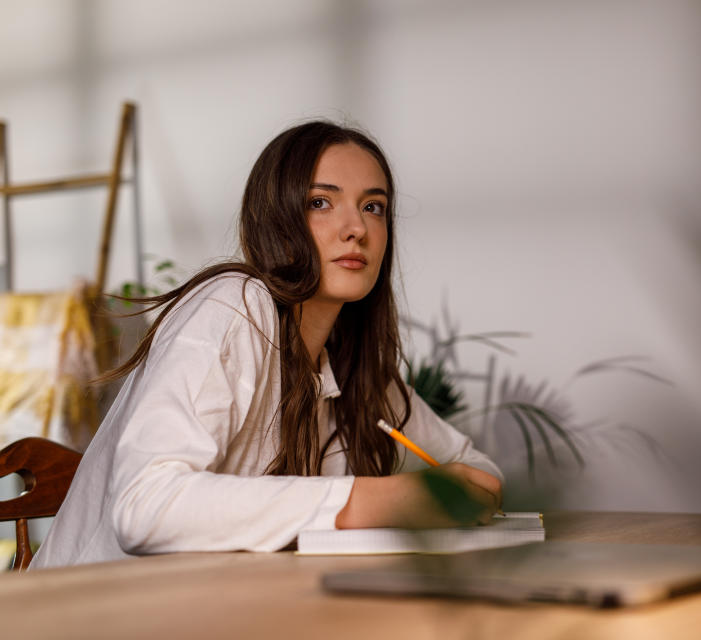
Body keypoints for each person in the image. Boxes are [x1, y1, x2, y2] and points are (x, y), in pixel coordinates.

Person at [31, 121, 503, 568]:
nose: (356, 227)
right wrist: (386, 499)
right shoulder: (235, 306)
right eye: (321, 202)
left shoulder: (354, 369)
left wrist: (472, 489)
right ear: (275, 220)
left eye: (372, 206)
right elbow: (146, 507)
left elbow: (474, 468)